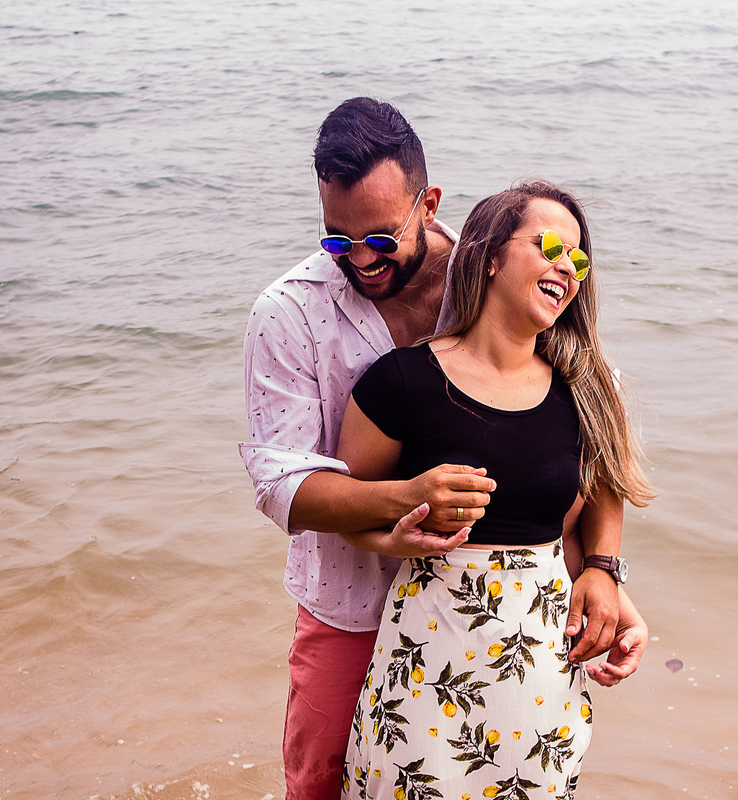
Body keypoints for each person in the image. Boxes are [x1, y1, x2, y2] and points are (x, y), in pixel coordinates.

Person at [239, 98, 649, 800]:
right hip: (348, 601)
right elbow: (281, 485)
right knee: (318, 783)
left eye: (379, 236)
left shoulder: (505, 276)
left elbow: (584, 435)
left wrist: (604, 572)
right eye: (338, 240)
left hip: (494, 630)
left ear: (427, 204)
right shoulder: (287, 311)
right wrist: (406, 497)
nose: (360, 259)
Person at [335, 180, 655, 798]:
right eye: (550, 246)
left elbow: (607, 485)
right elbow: (349, 512)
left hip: (540, 679)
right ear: (485, 254)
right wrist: (397, 534)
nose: (567, 265)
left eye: (579, 258)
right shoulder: (400, 381)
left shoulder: (584, 386)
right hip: (427, 672)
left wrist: (605, 572)